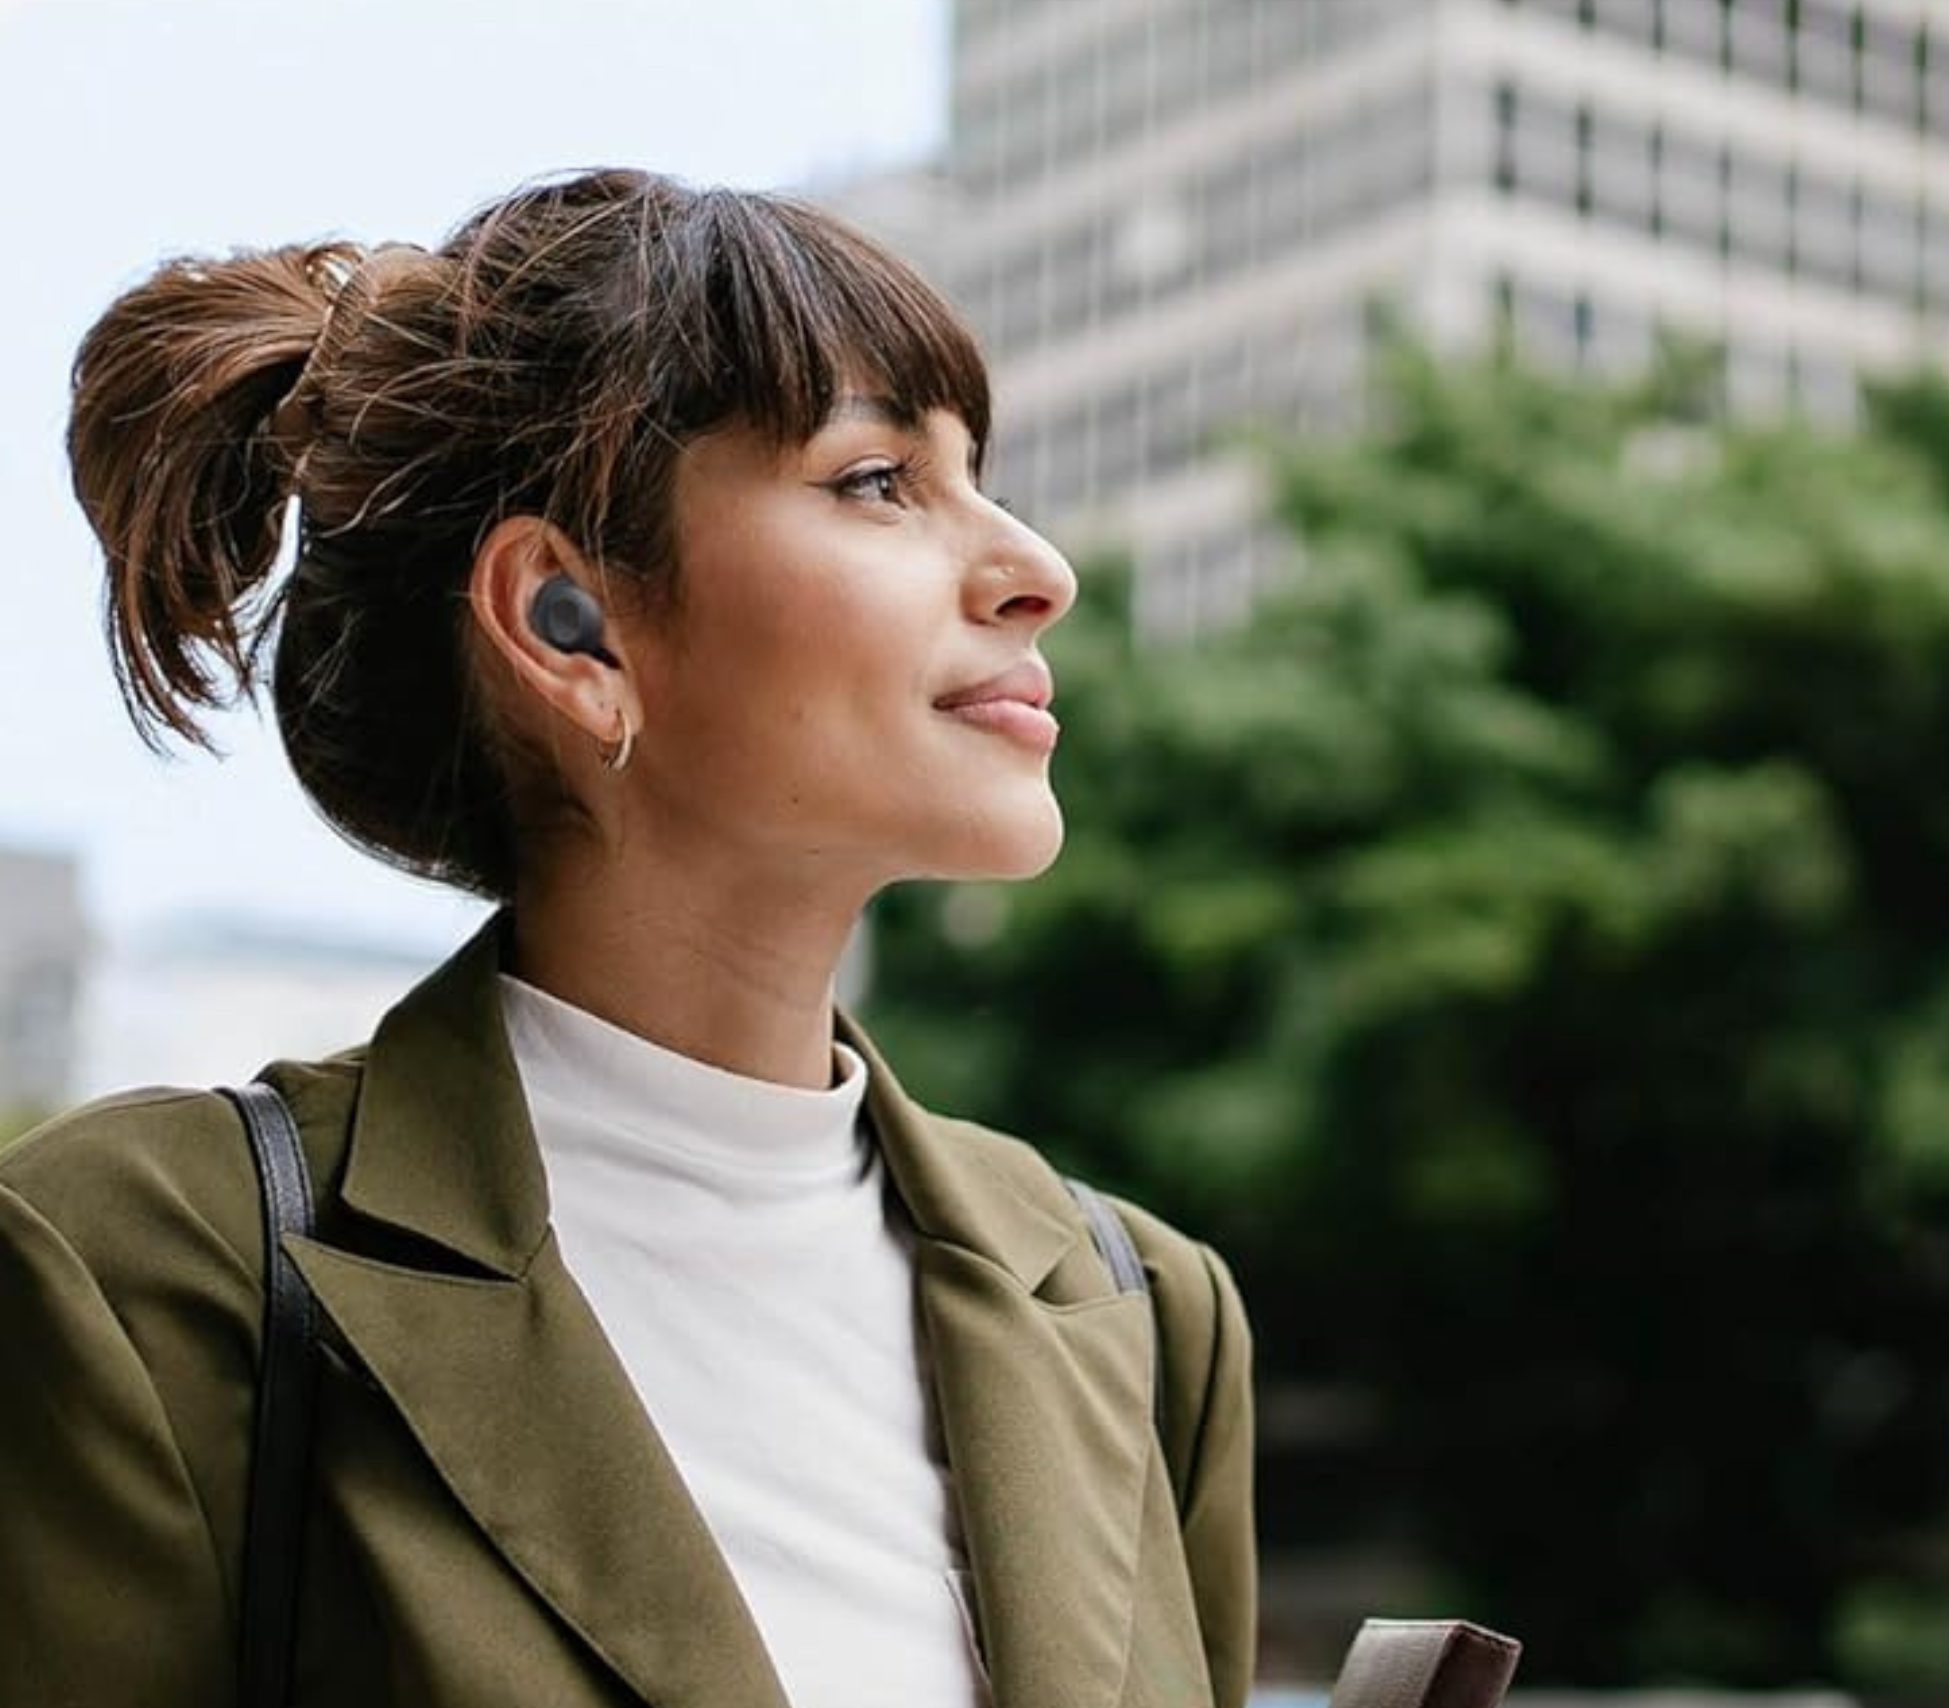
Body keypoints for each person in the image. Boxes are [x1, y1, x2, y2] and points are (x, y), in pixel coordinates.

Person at [0, 168, 1254, 1708]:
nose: (1033, 567)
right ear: (566, 623)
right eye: (877, 481)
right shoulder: (135, 1269)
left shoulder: (1141, 1308)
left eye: (978, 475)